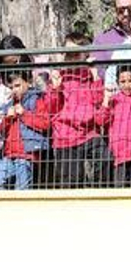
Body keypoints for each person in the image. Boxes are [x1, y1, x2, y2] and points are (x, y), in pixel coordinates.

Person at [42, 32, 107, 187]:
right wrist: (55, 88)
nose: (71, 57)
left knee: (105, 159)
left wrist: (95, 76)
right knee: (71, 180)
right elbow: (51, 108)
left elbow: (98, 100)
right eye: (68, 53)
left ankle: (99, 193)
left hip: (89, 132)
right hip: (66, 135)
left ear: (85, 55)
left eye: (76, 53)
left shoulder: (90, 76)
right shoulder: (59, 77)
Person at [0, 68, 48, 189]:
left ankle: (22, 207)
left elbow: (45, 124)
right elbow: (1, 130)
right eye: (11, 87)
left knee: (22, 188)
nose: (14, 90)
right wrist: (8, 119)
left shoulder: (37, 100)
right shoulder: (9, 104)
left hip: (26, 154)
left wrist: (24, 114)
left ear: (28, 82)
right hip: (9, 154)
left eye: (17, 85)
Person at [94, 0, 131, 66]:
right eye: (121, 10)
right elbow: (100, 72)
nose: (126, 13)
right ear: (115, 11)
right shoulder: (102, 41)